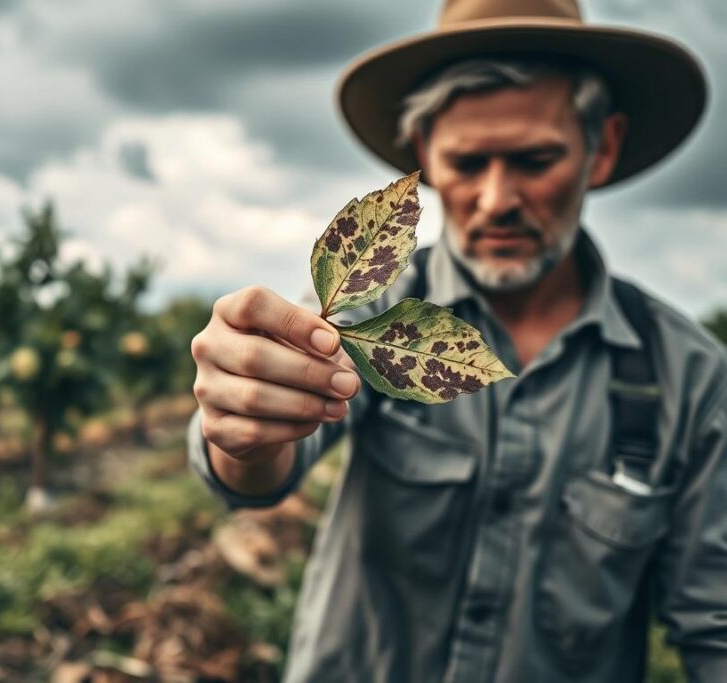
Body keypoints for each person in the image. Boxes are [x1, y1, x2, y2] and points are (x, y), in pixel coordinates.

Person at [186, 0, 727, 681]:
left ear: (604, 147)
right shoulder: (372, 312)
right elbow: (260, 470)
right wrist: (245, 429)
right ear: (425, 160)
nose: (497, 197)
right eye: (467, 162)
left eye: (534, 159)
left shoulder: (691, 379)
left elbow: (716, 624)